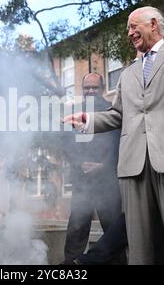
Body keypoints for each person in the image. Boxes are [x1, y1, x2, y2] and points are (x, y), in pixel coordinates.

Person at [63, 6, 164, 265]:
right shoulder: (128, 73)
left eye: (133, 26)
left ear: (154, 24)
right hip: (133, 163)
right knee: (137, 238)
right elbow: (117, 115)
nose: (129, 33)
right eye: (128, 28)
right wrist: (87, 120)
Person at [61, 73, 122, 265]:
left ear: (102, 89)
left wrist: (105, 165)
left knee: (113, 229)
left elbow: (121, 143)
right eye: (86, 87)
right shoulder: (75, 112)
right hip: (82, 181)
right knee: (77, 227)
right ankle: (71, 266)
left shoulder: (113, 111)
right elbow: (66, 144)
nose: (90, 91)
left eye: (94, 88)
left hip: (108, 182)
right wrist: (79, 163)